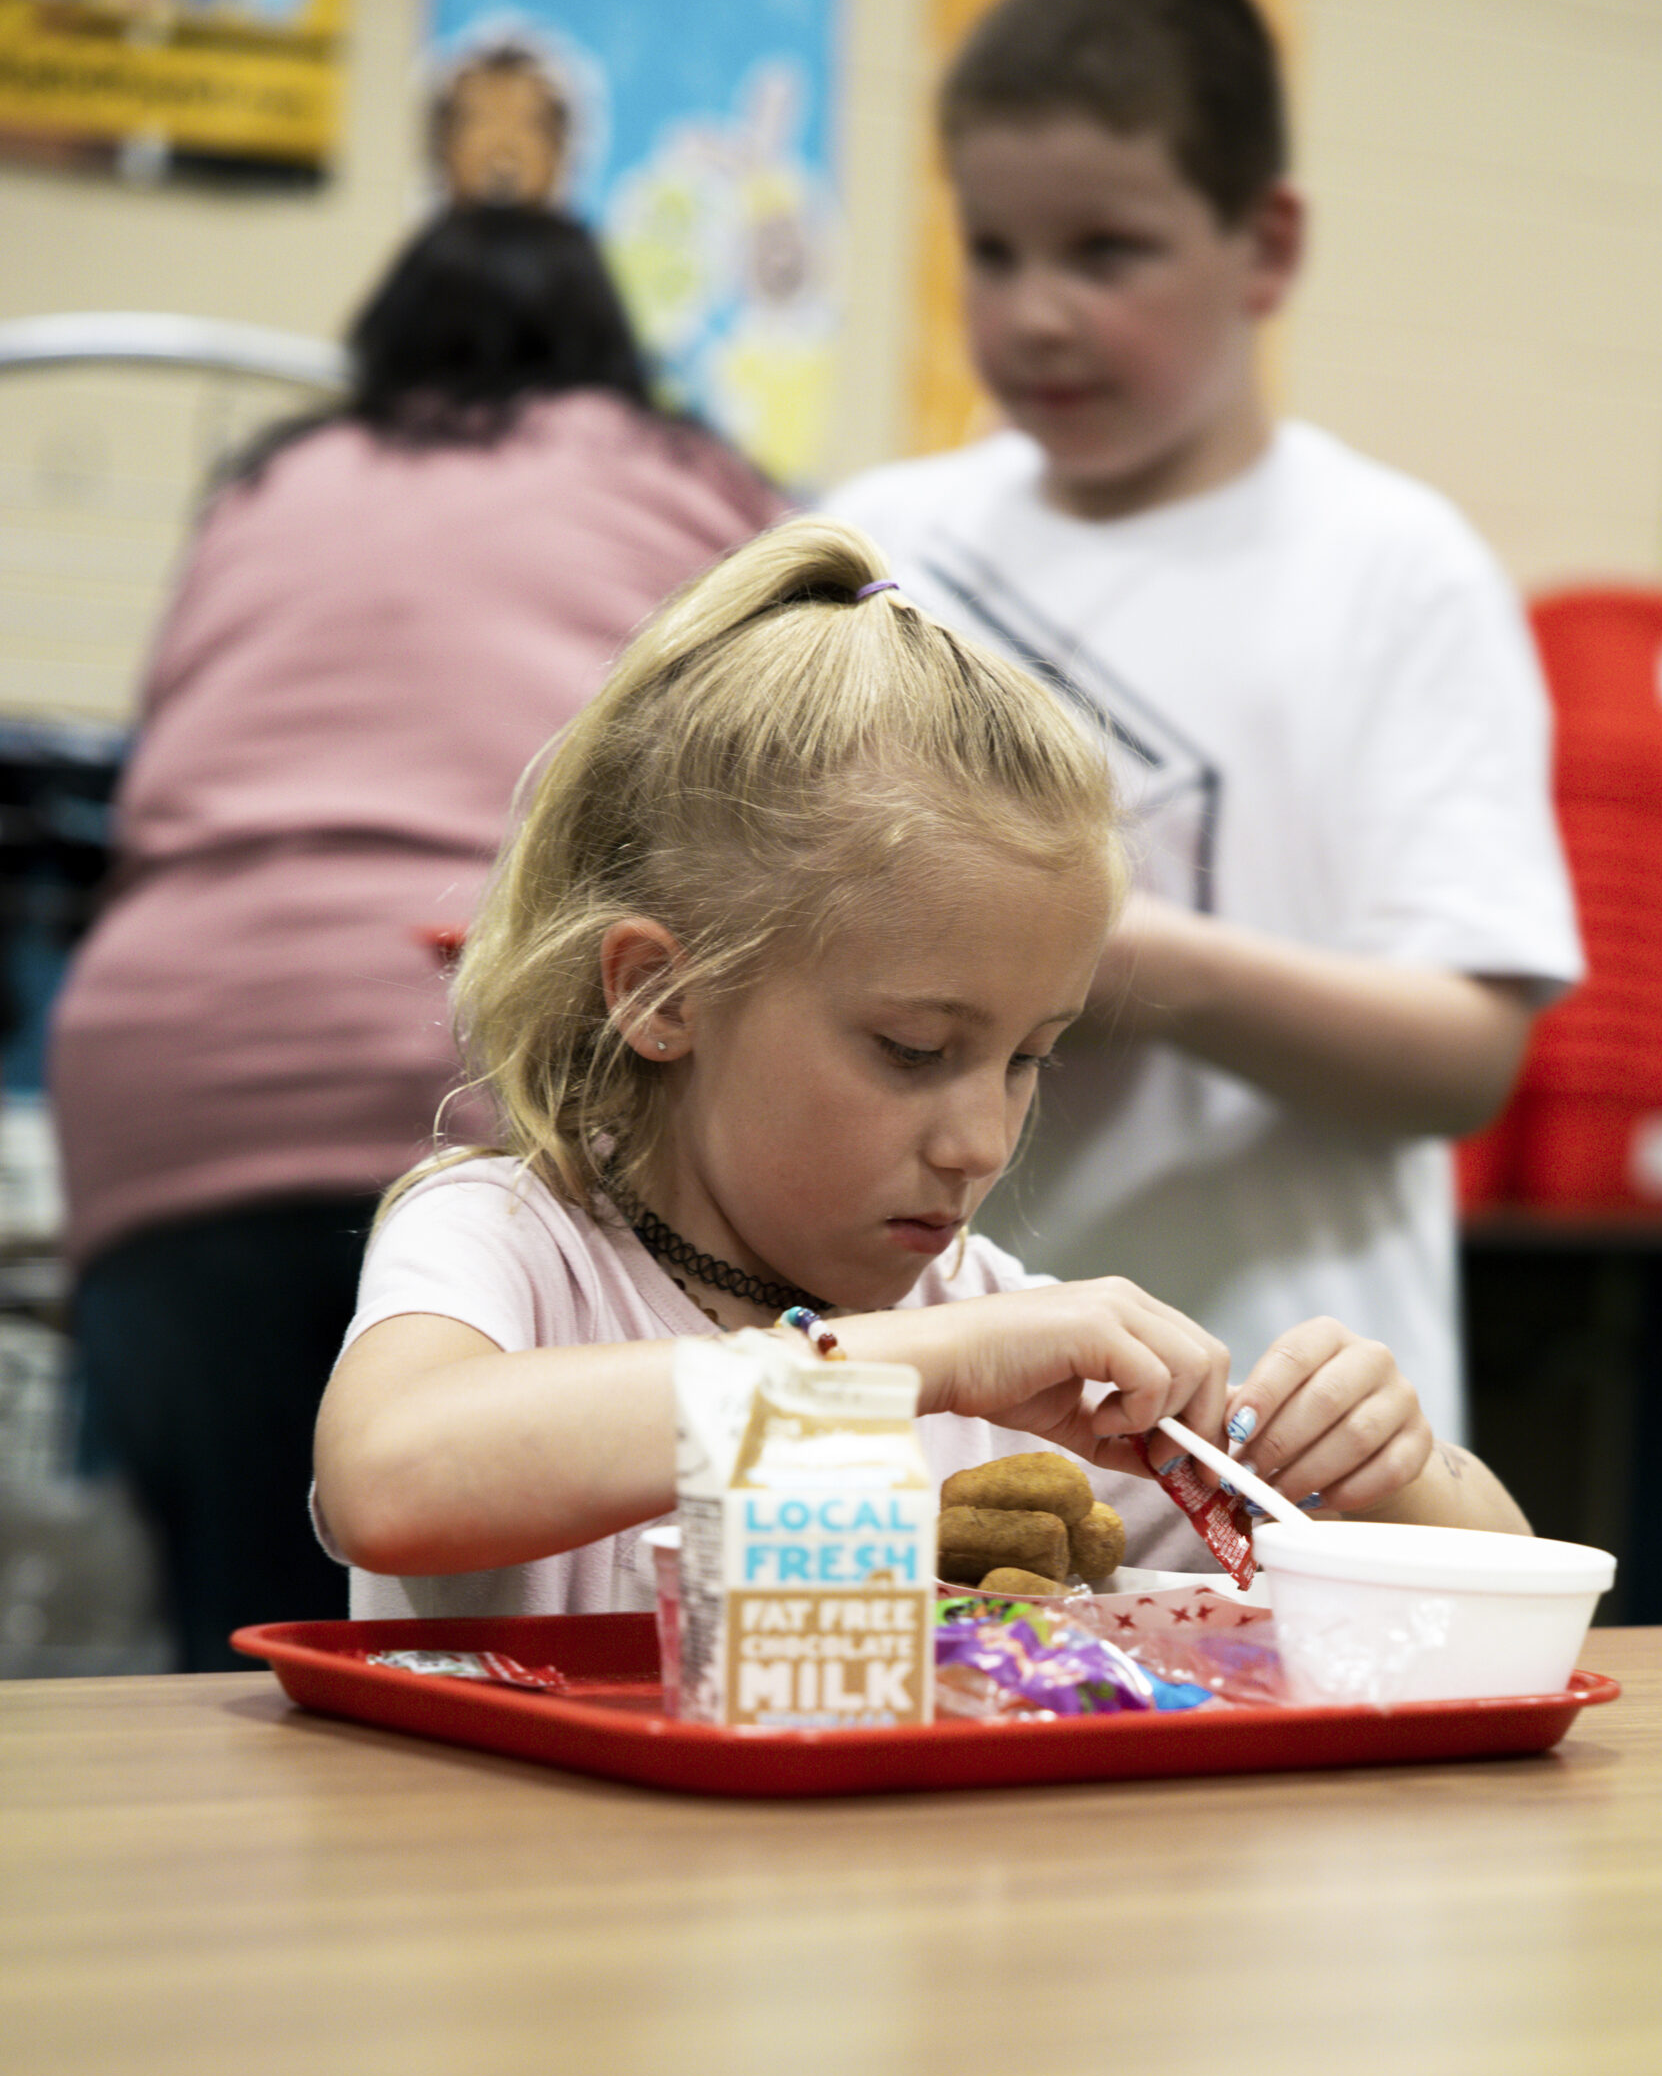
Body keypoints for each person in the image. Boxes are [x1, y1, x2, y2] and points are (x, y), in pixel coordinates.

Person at [312, 513, 1527, 1645]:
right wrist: (908, 1366)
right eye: (912, 1050)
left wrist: (1396, 1465)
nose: (982, 1142)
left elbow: (1497, 1595)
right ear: (660, 995)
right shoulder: (509, 1240)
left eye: (1028, 1059)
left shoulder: (983, 1325)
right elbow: (393, 1480)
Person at [823, 0, 1583, 1445]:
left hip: (1285, 1418)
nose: (1033, 312)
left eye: (1103, 251)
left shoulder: (1392, 568)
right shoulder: (871, 536)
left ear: (1265, 245)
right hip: (926, 1427)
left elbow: (1463, 1053)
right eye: (990, 250)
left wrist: (1119, 958)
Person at [48, 201, 786, 1671]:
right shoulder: (692, 485)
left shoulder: (270, 484)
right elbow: (802, 779)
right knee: (541, 1667)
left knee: (239, 1659)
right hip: (480, 1061)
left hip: (171, 1077)